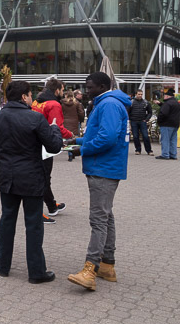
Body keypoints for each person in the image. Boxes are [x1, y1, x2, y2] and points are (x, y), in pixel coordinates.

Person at [0, 80, 63, 284]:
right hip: (31, 177)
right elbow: (54, 146)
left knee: (7, 220)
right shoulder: (36, 118)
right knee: (33, 224)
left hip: (8, 176)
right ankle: (36, 272)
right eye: (30, 95)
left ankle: (3, 265)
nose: (32, 98)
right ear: (24, 96)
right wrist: (54, 129)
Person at [67, 72, 130, 291]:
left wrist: (83, 149)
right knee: (106, 216)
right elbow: (99, 133)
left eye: (90, 87)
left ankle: (90, 269)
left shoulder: (109, 104)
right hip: (106, 167)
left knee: (98, 220)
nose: (87, 91)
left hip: (103, 168)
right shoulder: (107, 102)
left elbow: (107, 138)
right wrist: (76, 140)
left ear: (103, 86)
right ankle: (107, 265)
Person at [32, 78, 74, 220]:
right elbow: (57, 127)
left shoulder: (37, 101)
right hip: (46, 144)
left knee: (41, 176)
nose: (63, 92)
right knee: (44, 177)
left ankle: (51, 205)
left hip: (35, 142)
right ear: (56, 90)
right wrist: (71, 135)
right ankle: (43, 210)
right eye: (62, 89)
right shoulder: (54, 104)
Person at [156, 88, 180, 160]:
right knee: (173, 140)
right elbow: (171, 110)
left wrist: (159, 121)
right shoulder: (176, 103)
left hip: (166, 124)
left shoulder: (167, 103)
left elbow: (163, 113)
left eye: (164, 96)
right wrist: (161, 104)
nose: (163, 97)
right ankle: (173, 154)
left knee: (165, 140)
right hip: (175, 124)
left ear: (167, 96)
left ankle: (165, 154)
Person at [127, 89, 153, 156]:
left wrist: (146, 119)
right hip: (134, 121)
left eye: (141, 94)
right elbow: (127, 112)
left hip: (142, 121)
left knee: (145, 136)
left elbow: (150, 112)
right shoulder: (131, 102)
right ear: (136, 94)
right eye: (139, 94)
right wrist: (129, 120)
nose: (140, 95)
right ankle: (138, 150)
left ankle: (149, 151)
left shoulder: (146, 102)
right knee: (135, 137)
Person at [61, 90, 85, 162]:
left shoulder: (62, 103)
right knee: (73, 138)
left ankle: (70, 154)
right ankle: (72, 153)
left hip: (65, 122)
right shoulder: (76, 103)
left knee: (68, 137)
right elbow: (81, 113)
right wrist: (80, 120)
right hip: (74, 122)